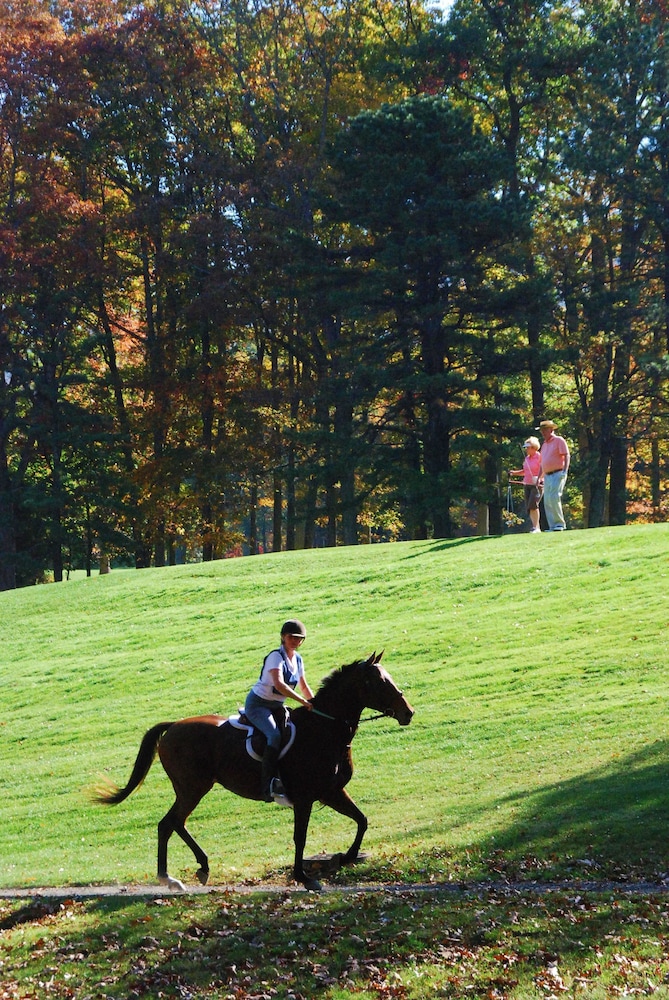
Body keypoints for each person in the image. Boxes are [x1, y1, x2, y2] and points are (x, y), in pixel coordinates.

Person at [244, 618, 314, 804]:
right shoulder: (276, 656)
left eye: (299, 639)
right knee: (274, 736)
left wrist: (314, 703)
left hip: (276, 706)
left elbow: (304, 686)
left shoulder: (298, 660)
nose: (295, 641)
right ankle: (268, 785)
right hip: (258, 705)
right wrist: (301, 701)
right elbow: (279, 684)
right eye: (292, 637)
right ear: (283, 637)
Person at [537, 419, 570, 531]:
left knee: (554, 496)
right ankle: (553, 526)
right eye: (542, 430)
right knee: (547, 500)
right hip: (547, 475)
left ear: (551, 430)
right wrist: (539, 478)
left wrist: (565, 471)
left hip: (558, 473)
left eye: (545, 430)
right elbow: (543, 463)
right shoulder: (544, 444)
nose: (543, 432)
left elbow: (566, 455)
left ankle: (560, 524)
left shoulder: (559, 440)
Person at [509, 436, 543, 532]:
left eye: (528, 447)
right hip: (527, 484)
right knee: (529, 507)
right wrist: (514, 473)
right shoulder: (527, 458)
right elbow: (525, 471)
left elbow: (543, 469)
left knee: (533, 505)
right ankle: (535, 527)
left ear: (533, 447)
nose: (526, 449)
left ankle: (536, 527)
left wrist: (539, 479)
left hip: (537, 485)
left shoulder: (539, 457)